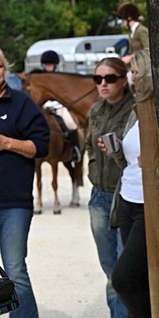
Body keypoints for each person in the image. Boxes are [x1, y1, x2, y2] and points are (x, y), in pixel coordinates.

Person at [0, 41, 50, 318]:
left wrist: (7, 142)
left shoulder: (20, 102)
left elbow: (41, 146)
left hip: (14, 204)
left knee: (15, 271)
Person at [86, 56, 134, 318]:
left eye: (110, 78)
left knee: (125, 271)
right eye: (98, 78)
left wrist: (117, 149)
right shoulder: (96, 109)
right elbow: (89, 144)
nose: (103, 84)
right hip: (99, 196)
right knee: (109, 269)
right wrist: (93, 166)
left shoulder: (135, 110)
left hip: (124, 195)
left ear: (124, 80)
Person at [110, 49, 152, 318]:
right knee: (139, 278)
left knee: (123, 279)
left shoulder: (152, 107)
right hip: (127, 199)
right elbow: (129, 159)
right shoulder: (136, 109)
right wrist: (115, 148)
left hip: (150, 204)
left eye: (137, 72)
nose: (132, 78)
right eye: (131, 73)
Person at [39, 49, 81, 162]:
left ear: (55, 65)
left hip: (58, 107)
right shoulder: (40, 78)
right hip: (43, 108)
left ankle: (75, 150)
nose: (49, 67)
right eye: (47, 64)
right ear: (43, 65)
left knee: (71, 124)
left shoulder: (59, 78)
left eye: (51, 64)